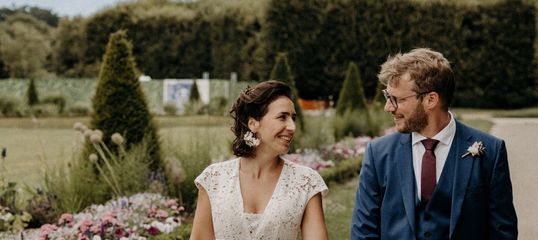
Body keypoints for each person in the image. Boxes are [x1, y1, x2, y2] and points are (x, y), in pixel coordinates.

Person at [351, 48, 518, 239]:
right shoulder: (378, 153)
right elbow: (363, 231)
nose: (388, 107)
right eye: (387, 97)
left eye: (396, 99)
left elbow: (503, 232)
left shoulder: (491, 151)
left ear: (431, 99)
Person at [190, 80, 329, 240]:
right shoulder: (213, 179)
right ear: (253, 123)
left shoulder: (306, 182)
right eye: (282, 117)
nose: (292, 127)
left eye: (293, 118)